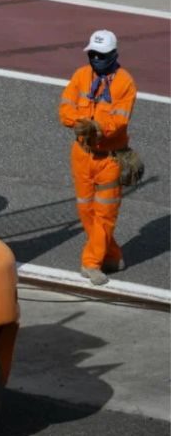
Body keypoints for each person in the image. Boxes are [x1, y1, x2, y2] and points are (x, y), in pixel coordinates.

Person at [58, 29, 137, 286]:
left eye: (100, 55)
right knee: (86, 210)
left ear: (113, 54)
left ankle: (91, 263)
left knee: (104, 214)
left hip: (110, 159)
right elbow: (65, 108)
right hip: (81, 154)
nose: (95, 58)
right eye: (92, 53)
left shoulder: (125, 83)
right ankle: (112, 254)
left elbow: (119, 121)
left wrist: (97, 128)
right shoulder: (81, 76)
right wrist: (81, 123)